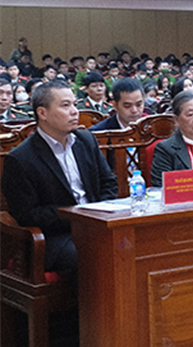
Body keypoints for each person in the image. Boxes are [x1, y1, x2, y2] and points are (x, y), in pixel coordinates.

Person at [1, 80, 118, 284]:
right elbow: (27, 214)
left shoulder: (86, 140)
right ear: (42, 113)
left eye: (74, 104)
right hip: (55, 236)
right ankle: (91, 306)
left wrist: (98, 213)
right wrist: (76, 215)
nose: (74, 111)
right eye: (65, 105)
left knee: (133, 244)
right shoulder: (21, 159)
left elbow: (109, 183)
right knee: (89, 253)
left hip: (97, 224)